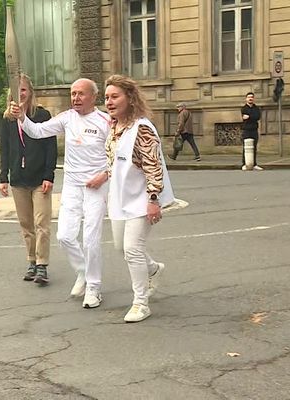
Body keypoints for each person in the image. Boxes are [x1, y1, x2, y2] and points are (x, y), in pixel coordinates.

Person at [10, 78, 110, 309]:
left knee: (91, 239)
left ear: (93, 96)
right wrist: (22, 117)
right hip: (73, 186)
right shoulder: (67, 118)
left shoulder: (105, 121)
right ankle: (83, 272)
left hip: (96, 186)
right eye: (73, 93)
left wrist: (104, 175)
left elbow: (118, 154)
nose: (75, 98)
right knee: (64, 236)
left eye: (80, 94)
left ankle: (94, 287)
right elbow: (37, 131)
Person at [103, 74, 175, 323]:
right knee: (120, 247)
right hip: (120, 198)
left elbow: (153, 165)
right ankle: (154, 269)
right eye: (107, 97)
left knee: (133, 249)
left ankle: (140, 303)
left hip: (142, 198)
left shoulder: (141, 128)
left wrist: (154, 199)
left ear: (130, 98)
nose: (109, 102)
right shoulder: (113, 126)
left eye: (115, 96)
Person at [0, 74, 57, 286]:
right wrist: (3, 177)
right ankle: (31, 261)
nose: (20, 94)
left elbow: (51, 147)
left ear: (30, 92)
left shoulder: (42, 115)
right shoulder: (7, 120)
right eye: (16, 90)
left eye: (24, 90)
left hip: (39, 178)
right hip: (18, 179)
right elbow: (5, 149)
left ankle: (42, 264)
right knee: (26, 224)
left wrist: (48, 175)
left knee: (42, 222)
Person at [240, 92, 263, 171]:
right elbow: (244, 117)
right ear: (246, 99)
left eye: (252, 97)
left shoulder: (256, 108)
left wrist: (249, 117)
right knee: (245, 148)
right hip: (246, 130)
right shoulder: (244, 108)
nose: (250, 98)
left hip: (254, 130)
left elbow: (257, 117)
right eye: (249, 97)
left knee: (254, 147)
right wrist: (252, 117)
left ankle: (254, 164)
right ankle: (244, 163)